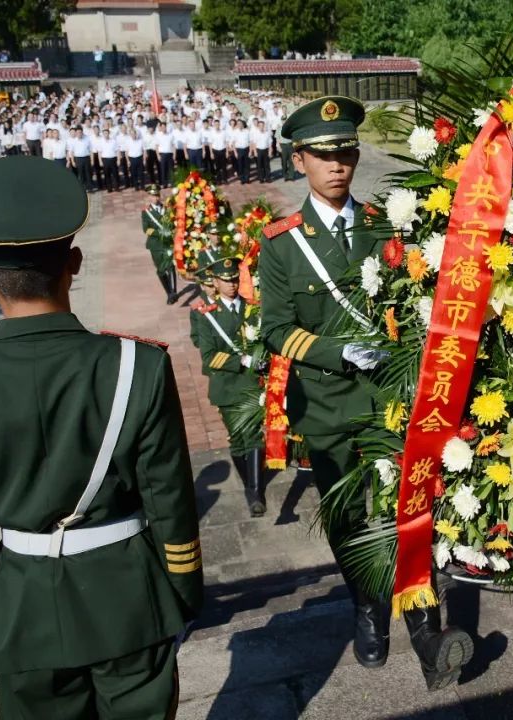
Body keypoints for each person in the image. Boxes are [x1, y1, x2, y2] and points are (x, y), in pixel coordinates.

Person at [0, 156, 202, 717]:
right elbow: (169, 499)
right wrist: (180, 595)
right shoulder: (136, 366)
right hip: (130, 596)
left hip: (18, 606)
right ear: (74, 262)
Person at [260, 96, 472, 690]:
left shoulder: (385, 225)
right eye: (324, 156)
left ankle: (427, 628)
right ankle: (368, 608)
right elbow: (276, 329)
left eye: (347, 152)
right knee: (350, 519)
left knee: (412, 509)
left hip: (390, 401)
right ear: (299, 160)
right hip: (327, 406)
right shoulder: (281, 243)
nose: (338, 165)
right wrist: (337, 351)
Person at [193, 254, 266, 517]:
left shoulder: (252, 308)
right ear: (215, 282)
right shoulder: (207, 316)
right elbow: (209, 356)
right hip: (227, 387)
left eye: (235, 278)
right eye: (226, 281)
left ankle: (255, 493)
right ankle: (250, 483)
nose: (232, 284)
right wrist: (242, 359)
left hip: (252, 384)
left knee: (255, 435)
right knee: (238, 440)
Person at [142, 185, 178, 304]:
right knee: (161, 270)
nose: (155, 198)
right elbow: (146, 229)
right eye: (153, 196)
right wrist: (161, 233)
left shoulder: (167, 209)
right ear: (149, 197)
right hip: (155, 245)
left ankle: (173, 292)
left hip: (167, 243)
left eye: (157, 195)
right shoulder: (146, 212)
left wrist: (171, 230)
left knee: (171, 266)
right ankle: (168, 292)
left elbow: (173, 223)